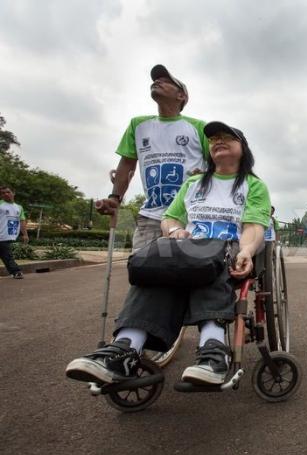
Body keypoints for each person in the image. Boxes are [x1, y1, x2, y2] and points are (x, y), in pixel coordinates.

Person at [66, 121, 270, 385]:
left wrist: (247, 250)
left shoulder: (253, 185)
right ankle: (125, 348)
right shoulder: (194, 183)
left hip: (227, 246)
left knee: (210, 262)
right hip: (187, 245)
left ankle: (213, 350)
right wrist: (174, 231)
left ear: (243, 148)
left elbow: (254, 225)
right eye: (213, 139)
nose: (217, 141)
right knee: (156, 269)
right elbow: (170, 218)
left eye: (226, 137)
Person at [96, 64, 209, 250]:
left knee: (186, 273)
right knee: (142, 270)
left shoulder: (199, 127)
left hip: (190, 214)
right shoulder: (138, 125)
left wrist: (206, 174)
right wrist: (115, 198)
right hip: (151, 215)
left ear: (181, 96)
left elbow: (219, 166)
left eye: (165, 81)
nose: (157, 82)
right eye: (156, 80)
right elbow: (127, 164)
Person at [0, 186, 29, 279]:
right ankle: (16, 271)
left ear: (13, 193)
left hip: (9, 235)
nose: (5, 194)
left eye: (8, 192)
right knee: (6, 254)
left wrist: (25, 234)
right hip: (1, 236)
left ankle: (15, 271)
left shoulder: (19, 207)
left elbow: (22, 221)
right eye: (3, 193)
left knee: (5, 254)